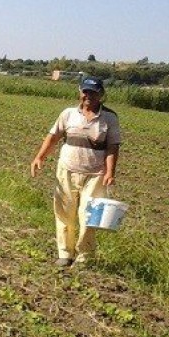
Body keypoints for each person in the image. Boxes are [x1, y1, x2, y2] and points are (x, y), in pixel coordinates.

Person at [30, 77, 121, 267]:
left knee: (89, 216)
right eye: (85, 91)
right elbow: (53, 137)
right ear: (80, 92)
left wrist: (110, 172)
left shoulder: (110, 118)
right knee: (64, 213)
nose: (89, 96)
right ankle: (65, 254)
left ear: (101, 94)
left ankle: (85, 257)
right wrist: (39, 157)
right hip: (67, 170)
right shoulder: (68, 114)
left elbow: (113, 147)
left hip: (95, 174)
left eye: (93, 92)